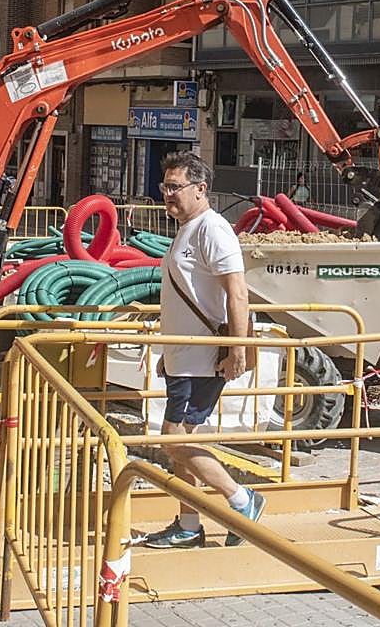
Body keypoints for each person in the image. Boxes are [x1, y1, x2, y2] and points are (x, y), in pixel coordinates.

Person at [141, 151, 265, 549]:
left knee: (174, 440)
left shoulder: (212, 229)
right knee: (180, 445)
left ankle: (241, 500)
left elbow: (237, 293)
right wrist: (169, 348)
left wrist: (237, 350)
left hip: (202, 358)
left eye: (175, 187)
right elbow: (189, 296)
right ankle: (189, 523)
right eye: (165, 187)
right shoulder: (189, 229)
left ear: (201, 189)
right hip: (183, 355)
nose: (168, 195)